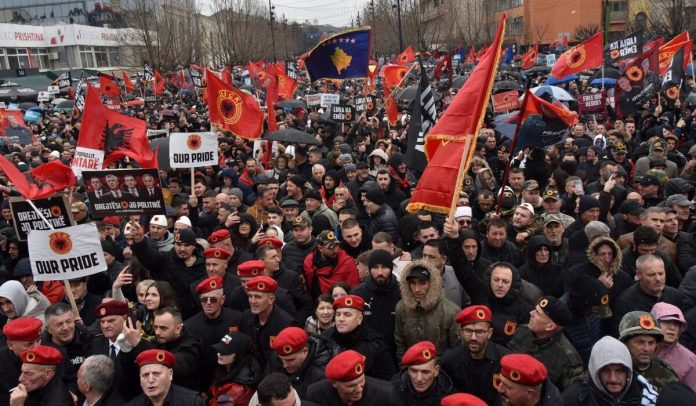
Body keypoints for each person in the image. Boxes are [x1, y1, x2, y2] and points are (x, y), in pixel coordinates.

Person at [508, 296, 584, 391]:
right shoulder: (522, 331)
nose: (531, 313)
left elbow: (568, 395)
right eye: (535, 309)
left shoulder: (569, 361)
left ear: (550, 326)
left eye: (537, 313)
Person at [130, 225, 206, 319]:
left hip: (194, 317)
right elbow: (148, 256)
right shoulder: (165, 259)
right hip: (166, 316)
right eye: (179, 245)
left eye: (186, 245)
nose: (182, 249)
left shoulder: (203, 265)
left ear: (194, 246)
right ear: (174, 245)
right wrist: (140, 241)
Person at [120, 306, 203, 392]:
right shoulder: (155, 341)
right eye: (156, 327)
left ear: (178, 329)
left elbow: (174, 368)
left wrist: (139, 343)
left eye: (163, 328)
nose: (157, 332)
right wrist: (127, 350)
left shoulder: (191, 346)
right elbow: (133, 373)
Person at [441, 305, 510, 404]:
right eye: (468, 331)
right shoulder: (450, 361)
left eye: (479, 332)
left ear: (489, 333)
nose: (473, 337)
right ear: (461, 332)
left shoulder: (504, 361)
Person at [562, 336, 659, 406]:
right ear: (595, 371)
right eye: (605, 371)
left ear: (628, 372)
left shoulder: (646, 396)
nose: (613, 379)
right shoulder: (575, 399)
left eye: (619, 371)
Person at [394, 260, 459, 359]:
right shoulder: (401, 307)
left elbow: (456, 350)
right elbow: (400, 344)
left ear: (432, 284)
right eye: (413, 283)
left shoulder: (451, 311)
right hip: (411, 365)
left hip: (441, 366)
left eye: (422, 283)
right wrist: (404, 366)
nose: (417, 289)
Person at [322, 295, 397, 380]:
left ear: (359, 319)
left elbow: (388, 381)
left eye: (347, 315)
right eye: (338, 314)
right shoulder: (325, 338)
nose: (341, 319)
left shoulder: (375, 345)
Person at [352, 249, 402, 355]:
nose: (380, 272)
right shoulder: (358, 294)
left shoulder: (402, 292)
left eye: (384, 267)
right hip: (366, 353)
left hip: (395, 353)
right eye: (375, 267)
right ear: (369, 269)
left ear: (391, 268)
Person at [240, 276, 296, 369]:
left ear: (271, 299)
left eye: (258, 297)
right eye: (250, 296)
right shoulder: (246, 316)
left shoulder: (286, 324)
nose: (252, 301)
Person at [306, 349, 399, 405]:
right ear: (334, 383)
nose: (359, 389)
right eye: (351, 386)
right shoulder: (316, 395)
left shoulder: (387, 394)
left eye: (361, 381)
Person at [266, 326, 338, 398]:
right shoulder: (275, 359)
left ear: (305, 352)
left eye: (290, 360)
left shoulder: (321, 373)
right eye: (281, 359)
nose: (285, 365)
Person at [618, 311, 680, 392]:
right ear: (624, 343)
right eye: (640, 342)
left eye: (651, 343)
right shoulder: (611, 369)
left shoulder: (667, 376)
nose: (647, 348)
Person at [124, 349, 204, 405]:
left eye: (156, 373)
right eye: (145, 375)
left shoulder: (192, 402)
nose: (151, 380)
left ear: (170, 374)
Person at [391, 341, 454, 405]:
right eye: (414, 371)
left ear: (436, 370)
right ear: (408, 370)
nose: (419, 379)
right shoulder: (394, 391)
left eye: (425, 372)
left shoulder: (449, 395)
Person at [207, 332, 262, 406]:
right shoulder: (224, 368)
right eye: (219, 350)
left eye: (225, 352)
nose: (219, 354)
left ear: (238, 355)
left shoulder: (239, 389)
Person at [651, 302, 696, 390]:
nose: (672, 327)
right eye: (666, 321)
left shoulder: (690, 361)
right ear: (653, 322)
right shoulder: (636, 348)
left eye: (677, 323)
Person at [303, 230, 360, 298]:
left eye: (336, 246)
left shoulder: (347, 262)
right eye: (331, 247)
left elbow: (355, 291)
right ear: (320, 248)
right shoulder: (309, 261)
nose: (335, 250)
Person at [0, 318, 42, 406]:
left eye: (38, 341)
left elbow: (68, 377)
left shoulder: (50, 351)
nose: (36, 348)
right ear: (10, 345)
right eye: (29, 344)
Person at [496, 353, 563, 406]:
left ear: (529, 393)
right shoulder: (507, 396)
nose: (499, 389)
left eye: (508, 387)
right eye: (500, 381)